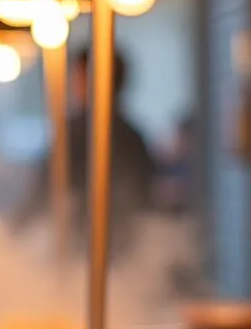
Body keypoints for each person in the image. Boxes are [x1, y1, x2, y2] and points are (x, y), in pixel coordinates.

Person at [15, 46, 155, 251]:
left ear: (91, 79)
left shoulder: (77, 133)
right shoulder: (136, 136)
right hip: (128, 249)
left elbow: (43, 191)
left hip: (85, 249)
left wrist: (10, 232)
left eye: (76, 76)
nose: (72, 84)